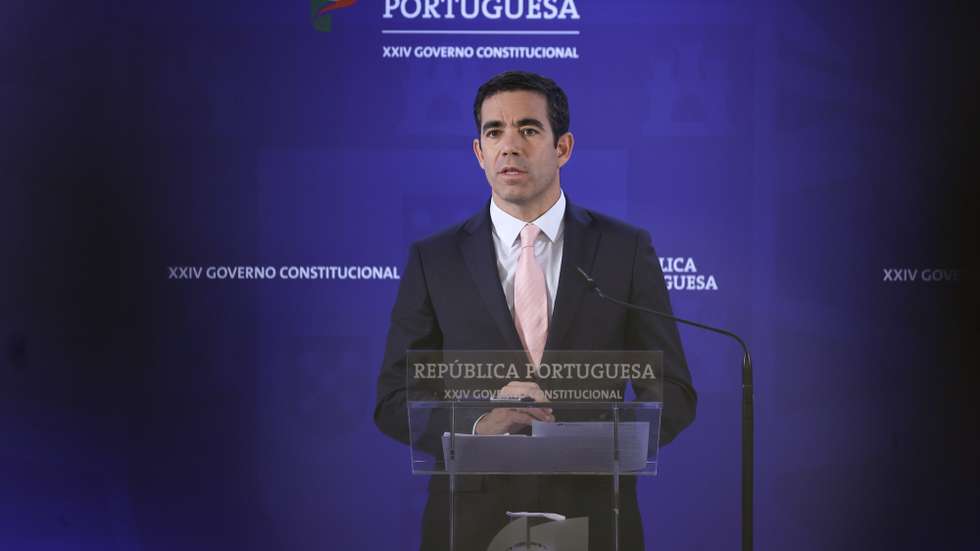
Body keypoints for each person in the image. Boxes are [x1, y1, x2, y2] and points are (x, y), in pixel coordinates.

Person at [374, 70, 697, 550]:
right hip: (470, 519)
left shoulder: (624, 250)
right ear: (478, 153)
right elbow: (394, 401)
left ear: (562, 147)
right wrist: (481, 425)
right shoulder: (433, 259)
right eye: (494, 132)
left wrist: (586, 439)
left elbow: (672, 390)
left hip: (594, 514)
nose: (509, 145)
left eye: (528, 129)